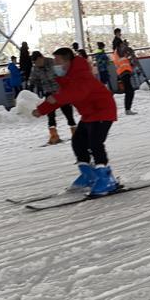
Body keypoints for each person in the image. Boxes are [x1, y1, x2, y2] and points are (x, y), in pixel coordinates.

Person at [31, 47, 119, 196]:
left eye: (58, 61)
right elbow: (62, 95)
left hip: (103, 111)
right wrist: (42, 109)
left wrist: (57, 98)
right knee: (77, 141)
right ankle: (89, 175)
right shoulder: (67, 79)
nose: (55, 65)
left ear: (68, 61)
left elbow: (78, 93)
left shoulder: (82, 75)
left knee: (95, 143)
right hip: (89, 114)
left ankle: (105, 178)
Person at [31, 50, 74, 143]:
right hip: (49, 92)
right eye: (34, 63)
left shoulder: (53, 63)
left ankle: (75, 132)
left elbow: (63, 74)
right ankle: (54, 135)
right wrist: (34, 85)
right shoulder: (36, 68)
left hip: (60, 91)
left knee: (68, 112)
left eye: (37, 62)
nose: (36, 64)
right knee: (50, 115)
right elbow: (33, 79)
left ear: (41, 58)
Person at [112, 41, 138, 114]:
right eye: (123, 44)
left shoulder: (119, 52)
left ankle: (128, 109)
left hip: (125, 72)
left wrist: (132, 62)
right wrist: (127, 48)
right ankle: (127, 109)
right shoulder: (118, 51)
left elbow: (127, 60)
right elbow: (123, 52)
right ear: (120, 45)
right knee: (130, 91)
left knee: (129, 91)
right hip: (123, 72)